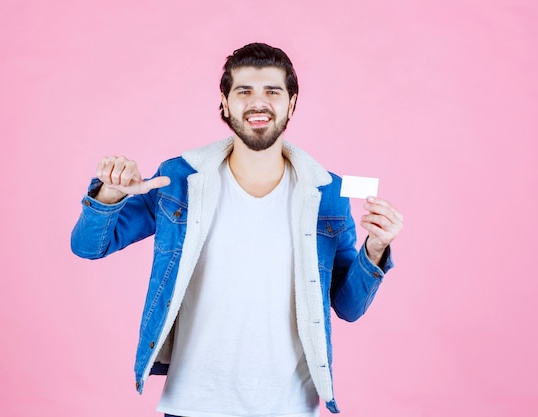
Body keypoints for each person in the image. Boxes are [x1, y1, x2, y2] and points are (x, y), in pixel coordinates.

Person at [71, 42, 403, 417]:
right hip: (193, 403)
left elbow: (348, 307)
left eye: (272, 92)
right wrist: (110, 192)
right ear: (225, 103)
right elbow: (87, 246)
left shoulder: (326, 193)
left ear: (292, 104)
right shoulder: (179, 180)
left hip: (290, 405)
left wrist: (376, 248)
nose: (257, 102)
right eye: (244, 91)